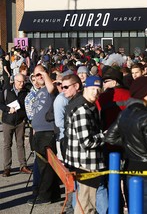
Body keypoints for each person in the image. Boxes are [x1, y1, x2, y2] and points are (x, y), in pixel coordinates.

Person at [105, 76, 147, 214]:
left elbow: (110, 137)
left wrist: (129, 143)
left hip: (130, 170)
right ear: (145, 93)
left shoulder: (124, 113)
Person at [64, 76, 105, 214]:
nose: (95, 93)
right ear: (85, 88)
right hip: (86, 163)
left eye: (98, 90)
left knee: (84, 201)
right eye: (92, 89)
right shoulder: (82, 109)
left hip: (83, 161)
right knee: (87, 203)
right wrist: (107, 135)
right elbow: (87, 142)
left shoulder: (87, 106)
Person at [27, 64, 60, 206]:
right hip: (38, 132)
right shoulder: (38, 91)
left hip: (48, 132)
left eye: (40, 74)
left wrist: (44, 73)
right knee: (45, 165)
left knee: (45, 167)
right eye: (35, 75)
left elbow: (52, 88)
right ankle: (54, 193)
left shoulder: (50, 87)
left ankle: (44, 195)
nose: (38, 77)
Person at [0, 73, 31, 177]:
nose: (21, 84)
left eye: (23, 82)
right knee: (7, 145)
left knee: (20, 144)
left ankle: (23, 166)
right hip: (8, 121)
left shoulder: (26, 91)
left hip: (20, 122)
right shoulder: (6, 90)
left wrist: (25, 119)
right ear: (14, 81)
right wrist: (8, 109)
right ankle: (7, 168)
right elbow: (0, 104)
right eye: (19, 82)